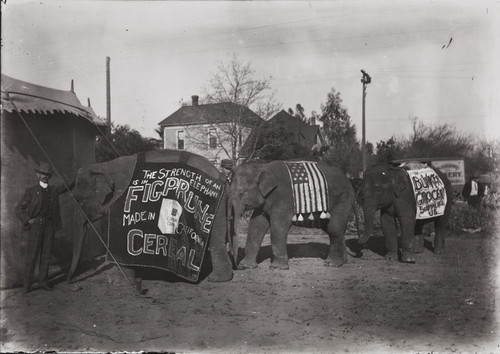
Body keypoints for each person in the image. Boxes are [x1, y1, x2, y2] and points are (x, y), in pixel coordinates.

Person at [15, 162, 73, 293]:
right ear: (37, 175)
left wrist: (77, 176)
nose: (44, 176)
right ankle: (27, 285)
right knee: (32, 256)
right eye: (42, 174)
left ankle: (43, 282)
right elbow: (19, 209)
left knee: (46, 255)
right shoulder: (31, 191)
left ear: (50, 176)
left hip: (50, 226)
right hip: (35, 226)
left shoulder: (53, 190)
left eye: (47, 174)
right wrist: (28, 220)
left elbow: (67, 186)